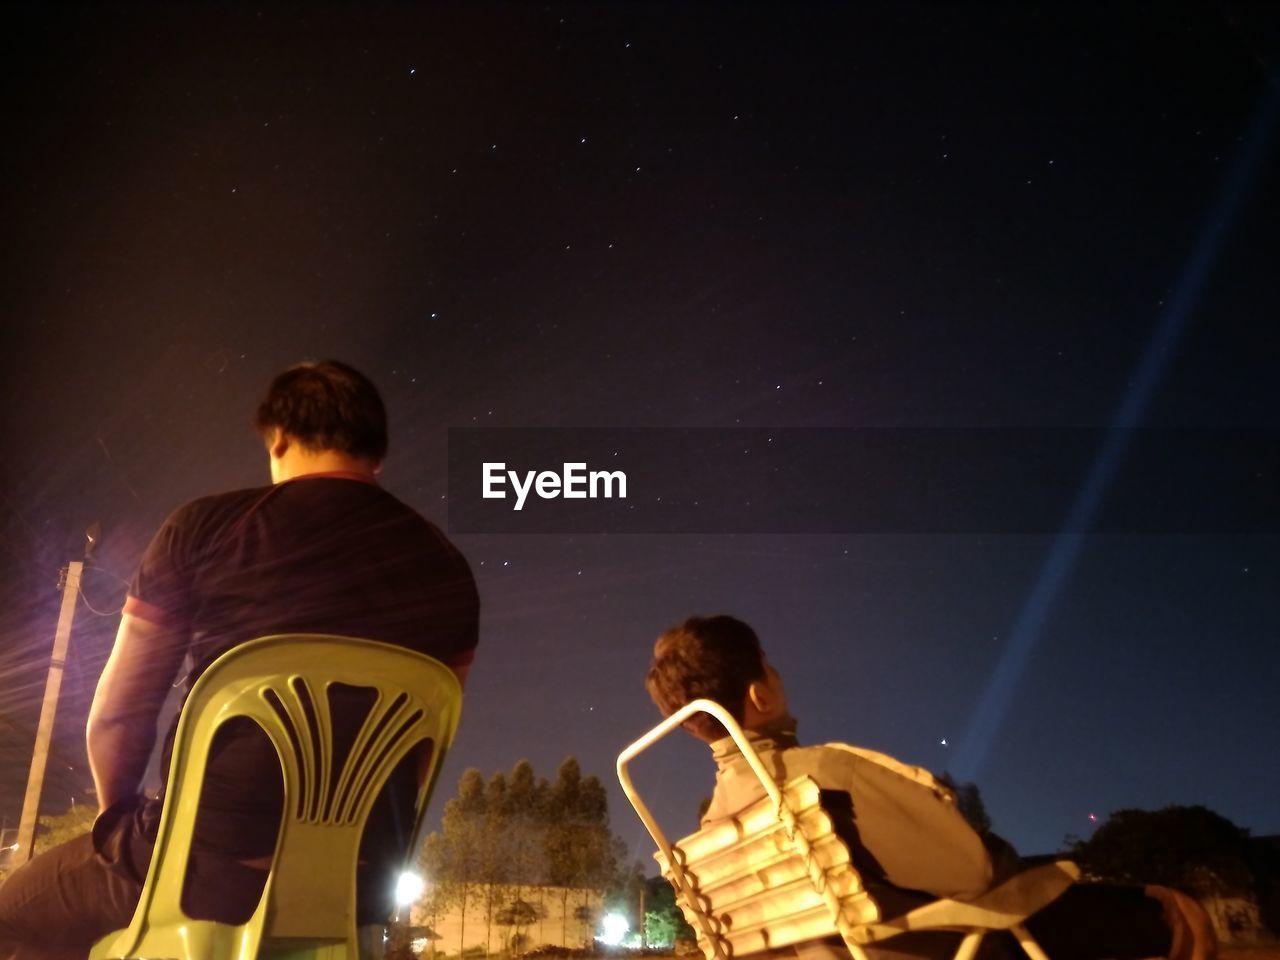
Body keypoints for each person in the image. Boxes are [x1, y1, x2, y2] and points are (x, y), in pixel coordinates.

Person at [0, 360, 479, 960]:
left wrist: (125, 828)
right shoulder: (448, 569)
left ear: (277, 438)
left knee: (11, 923)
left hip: (206, 867)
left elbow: (118, 717)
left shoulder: (202, 530)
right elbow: (420, 753)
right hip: (358, 882)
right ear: (375, 453)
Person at [644, 614, 1216, 960]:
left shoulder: (713, 832)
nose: (778, 673)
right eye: (768, 666)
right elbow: (972, 872)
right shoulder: (825, 777)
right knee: (1148, 910)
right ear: (759, 696)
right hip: (941, 950)